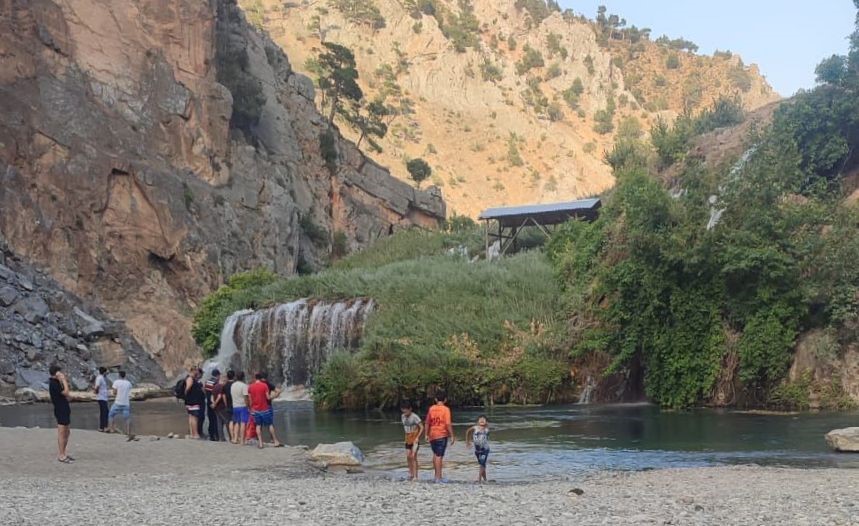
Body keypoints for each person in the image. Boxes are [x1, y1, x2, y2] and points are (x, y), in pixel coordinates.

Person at [424, 389, 455, 483]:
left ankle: (436, 475)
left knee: (435, 454)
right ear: (445, 400)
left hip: (432, 434)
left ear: (436, 399)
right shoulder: (446, 409)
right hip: (441, 434)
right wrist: (452, 435)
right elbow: (448, 423)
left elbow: (427, 422)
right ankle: (438, 477)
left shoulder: (431, 408)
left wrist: (426, 434)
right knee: (439, 456)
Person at [247, 372, 283, 449]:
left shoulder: (250, 387)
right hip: (265, 408)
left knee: (258, 425)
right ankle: (275, 441)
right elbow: (268, 398)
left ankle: (260, 443)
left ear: (255, 378)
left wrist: (250, 408)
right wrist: (274, 396)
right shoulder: (264, 385)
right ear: (261, 378)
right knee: (270, 424)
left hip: (255, 409)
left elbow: (250, 399)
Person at [48, 365, 72, 463]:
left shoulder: (57, 382)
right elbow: (66, 392)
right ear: (56, 373)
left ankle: (64, 452)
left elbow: (66, 395)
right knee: (62, 432)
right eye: (60, 372)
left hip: (64, 408)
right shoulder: (53, 383)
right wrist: (64, 380)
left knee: (67, 432)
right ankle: (61, 455)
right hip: (60, 409)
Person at [400, 400, 424, 481]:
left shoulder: (415, 417)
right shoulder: (402, 416)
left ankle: (415, 476)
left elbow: (422, 427)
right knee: (408, 456)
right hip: (407, 438)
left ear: (410, 409)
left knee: (413, 456)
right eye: (403, 411)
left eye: (406, 411)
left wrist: (417, 437)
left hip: (415, 438)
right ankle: (410, 473)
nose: (405, 413)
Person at [108, 371, 134, 439]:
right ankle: (128, 432)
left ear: (119, 375)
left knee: (111, 415)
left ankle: (111, 429)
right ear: (125, 376)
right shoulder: (128, 383)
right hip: (126, 403)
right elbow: (130, 390)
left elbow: (114, 392)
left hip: (118, 402)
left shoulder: (116, 382)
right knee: (127, 418)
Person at [465, 415, 490, 483]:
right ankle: (485, 479)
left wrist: (485, 425)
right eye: (480, 419)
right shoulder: (475, 428)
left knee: (482, 463)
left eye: (484, 419)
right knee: (482, 464)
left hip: (485, 450)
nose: (482, 420)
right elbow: (468, 431)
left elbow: (487, 427)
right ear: (477, 421)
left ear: (486, 422)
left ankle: (479, 479)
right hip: (477, 450)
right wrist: (468, 441)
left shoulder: (486, 429)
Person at [210, 370, 232, 442]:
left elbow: (212, 396)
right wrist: (225, 405)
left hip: (216, 408)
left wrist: (213, 403)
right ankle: (231, 437)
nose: (225, 383)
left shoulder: (215, 386)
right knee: (227, 421)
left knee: (219, 422)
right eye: (225, 381)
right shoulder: (221, 387)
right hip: (221, 407)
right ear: (222, 380)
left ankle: (221, 438)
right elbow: (221, 396)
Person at [184, 367, 205, 439]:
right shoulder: (190, 379)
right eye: (196, 370)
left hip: (191, 401)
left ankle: (192, 433)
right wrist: (187, 398)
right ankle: (195, 434)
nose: (197, 372)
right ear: (193, 371)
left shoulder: (191, 378)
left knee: (192, 417)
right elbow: (187, 389)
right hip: (193, 401)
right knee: (194, 417)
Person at [229, 371, 250, 445]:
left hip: (235, 406)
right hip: (242, 406)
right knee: (243, 423)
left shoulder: (233, 385)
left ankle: (235, 439)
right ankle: (242, 440)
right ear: (243, 377)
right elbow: (246, 397)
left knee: (236, 423)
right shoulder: (244, 386)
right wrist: (248, 406)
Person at [204, 369, 221, 441]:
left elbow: (206, 392)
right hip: (214, 403)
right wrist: (214, 403)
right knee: (216, 420)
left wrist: (210, 402)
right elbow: (214, 394)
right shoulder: (216, 383)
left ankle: (211, 435)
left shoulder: (207, 382)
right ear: (217, 375)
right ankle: (216, 435)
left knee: (211, 419)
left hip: (208, 403)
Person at [93, 366, 109, 432]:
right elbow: (97, 386)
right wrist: (96, 392)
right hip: (101, 397)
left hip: (104, 397)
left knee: (104, 412)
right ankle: (103, 427)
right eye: (106, 372)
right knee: (105, 412)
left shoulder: (102, 377)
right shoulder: (99, 378)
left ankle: (102, 427)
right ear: (104, 372)